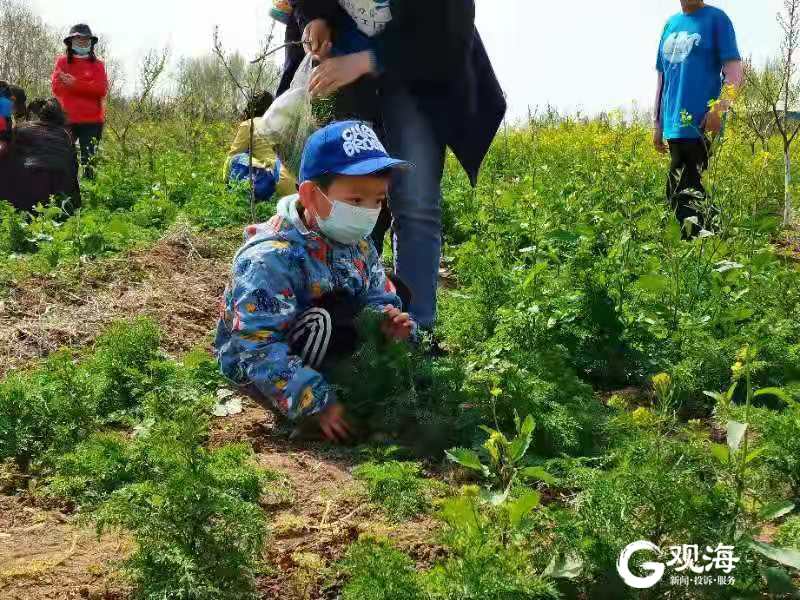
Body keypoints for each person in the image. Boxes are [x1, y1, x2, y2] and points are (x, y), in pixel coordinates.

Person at [282, 0, 506, 331]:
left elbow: (444, 32)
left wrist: (367, 60)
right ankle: (350, 326)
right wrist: (314, 18)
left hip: (419, 70)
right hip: (344, 64)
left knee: (415, 203)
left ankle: (415, 332)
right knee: (347, 199)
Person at [215, 121, 415, 443]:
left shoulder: (359, 245)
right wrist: (315, 401)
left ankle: (346, 384)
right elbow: (257, 345)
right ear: (310, 194)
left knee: (396, 291)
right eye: (356, 200)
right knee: (321, 322)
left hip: (326, 332)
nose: (369, 212)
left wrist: (386, 321)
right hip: (261, 362)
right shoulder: (269, 258)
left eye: (378, 201)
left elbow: (377, 293)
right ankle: (306, 407)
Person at [654, 0, 742, 237]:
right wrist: (658, 124)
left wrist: (718, 110)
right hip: (673, 125)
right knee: (680, 191)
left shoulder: (716, 19)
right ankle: (713, 241)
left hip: (701, 123)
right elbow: (662, 81)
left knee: (688, 189)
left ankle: (699, 248)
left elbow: (734, 74)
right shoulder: (670, 25)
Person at [0, 98, 81, 213]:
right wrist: (75, 205)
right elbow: (73, 173)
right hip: (58, 203)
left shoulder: (20, 129)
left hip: (21, 200)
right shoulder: (66, 137)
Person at [51, 23, 109, 180]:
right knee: (65, 159)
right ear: (70, 41)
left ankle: (91, 199)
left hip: (92, 122)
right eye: (78, 38)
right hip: (66, 120)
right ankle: (67, 195)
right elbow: (56, 89)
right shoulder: (62, 62)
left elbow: (101, 90)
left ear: (91, 42)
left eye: (85, 39)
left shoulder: (98, 65)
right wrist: (87, 86)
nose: (82, 41)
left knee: (89, 162)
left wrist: (75, 84)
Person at [225, 91, 297, 201]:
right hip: (292, 184)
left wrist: (225, 178)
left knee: (235, 159)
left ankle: (258, 187)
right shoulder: (283, 125)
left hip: (272, 181)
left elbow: (233, 156)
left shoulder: (249, 124)